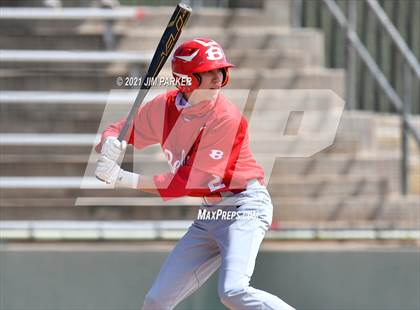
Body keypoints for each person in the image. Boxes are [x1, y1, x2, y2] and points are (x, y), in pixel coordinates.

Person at [95, 38, 295, 310]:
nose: (218, 77)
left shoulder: (226, 117)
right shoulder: (165, 108)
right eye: (208, 71)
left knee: (233, 291)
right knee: (156, 301)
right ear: (186, 79)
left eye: (220, 71)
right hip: (209, 214)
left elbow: (185, 184)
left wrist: (121, 177)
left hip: (244, 207)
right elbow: (120, 129)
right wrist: (109, 142)